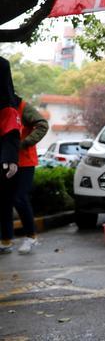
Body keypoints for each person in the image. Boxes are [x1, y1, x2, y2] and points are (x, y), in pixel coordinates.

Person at [1, 94, 49, 254]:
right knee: (5, 200)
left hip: (25, 162)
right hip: (6, 161)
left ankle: (31, 236)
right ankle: (6, 240)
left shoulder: (22, 106)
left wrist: (23, 143)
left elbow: (42, 125)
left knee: (19, 198)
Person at [0, 57, 22, 254]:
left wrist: (10, 159)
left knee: (5, 203)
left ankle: (6, 240)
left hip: (5, 163)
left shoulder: (10, 107)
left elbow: (11, 133)